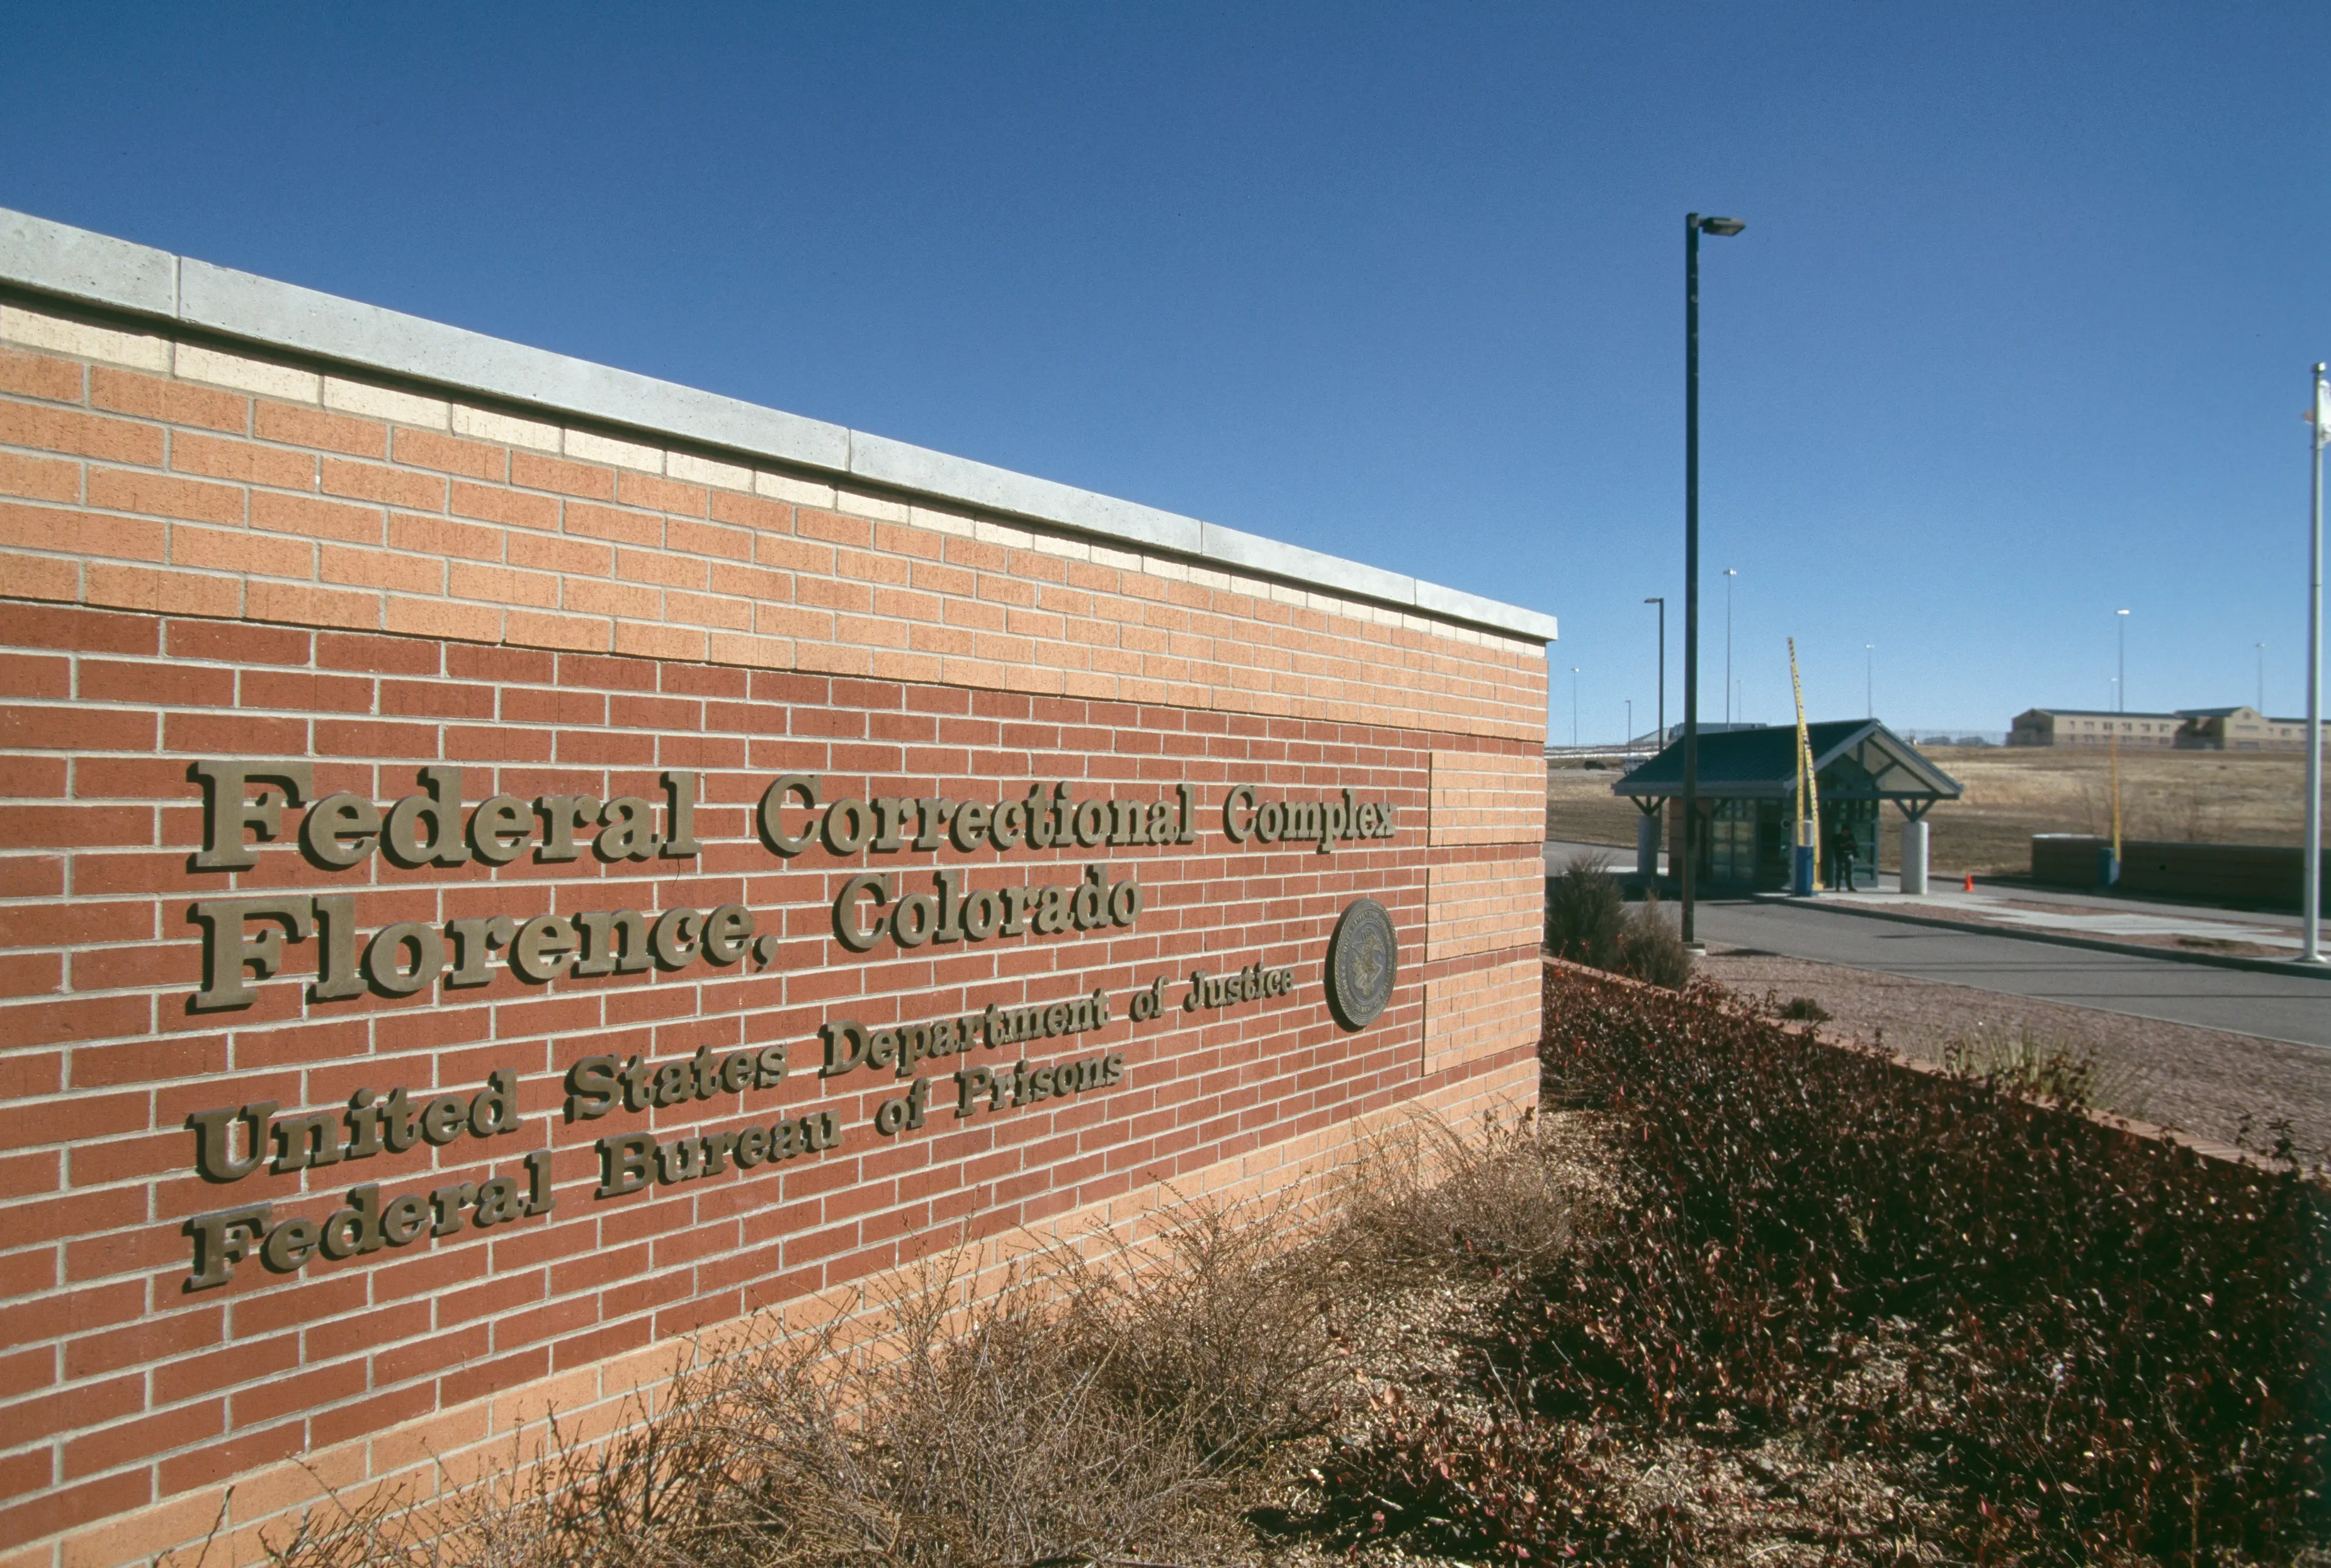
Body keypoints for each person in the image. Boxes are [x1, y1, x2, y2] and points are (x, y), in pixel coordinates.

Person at [1830, 820, 1858, 891]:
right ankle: (1838, 886)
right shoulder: (1837, 837)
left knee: (1849, 871)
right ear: (1843, 831)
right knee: (1840, 870)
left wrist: (1852, 844)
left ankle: (1850, 886)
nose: (1847, 832)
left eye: (1848, 831)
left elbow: (1855, 845)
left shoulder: (1851, 836)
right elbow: (1836, 846)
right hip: (1841, 855)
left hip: (1849, 854)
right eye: (1846, 831)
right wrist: (1845, 844)